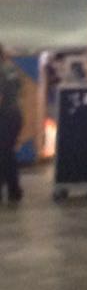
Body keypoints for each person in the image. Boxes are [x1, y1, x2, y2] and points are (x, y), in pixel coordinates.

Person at [0, 44, 24, 205]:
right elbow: (20, 91)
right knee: (7, 154)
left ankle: (14, 190)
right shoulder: (11, 68)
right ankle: (14, 191)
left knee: (4, 154)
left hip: (4, 117)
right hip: (15, 115)